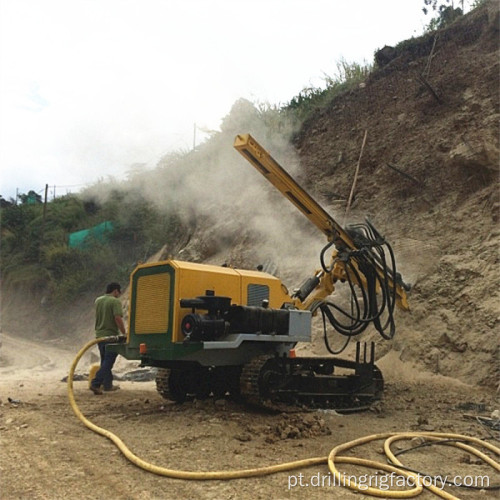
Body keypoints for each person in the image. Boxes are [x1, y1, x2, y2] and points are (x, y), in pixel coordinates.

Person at [90, 282, 126, 395]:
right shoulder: (115, 301)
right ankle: (96, 383)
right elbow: (117, 318)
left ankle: (107, 385)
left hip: (100, 335)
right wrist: (124, 333)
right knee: (109, 361)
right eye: (118, 293)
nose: (118, 295)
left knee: (104, 360)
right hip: (111, 335)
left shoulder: (98, 300)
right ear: (115, 291)